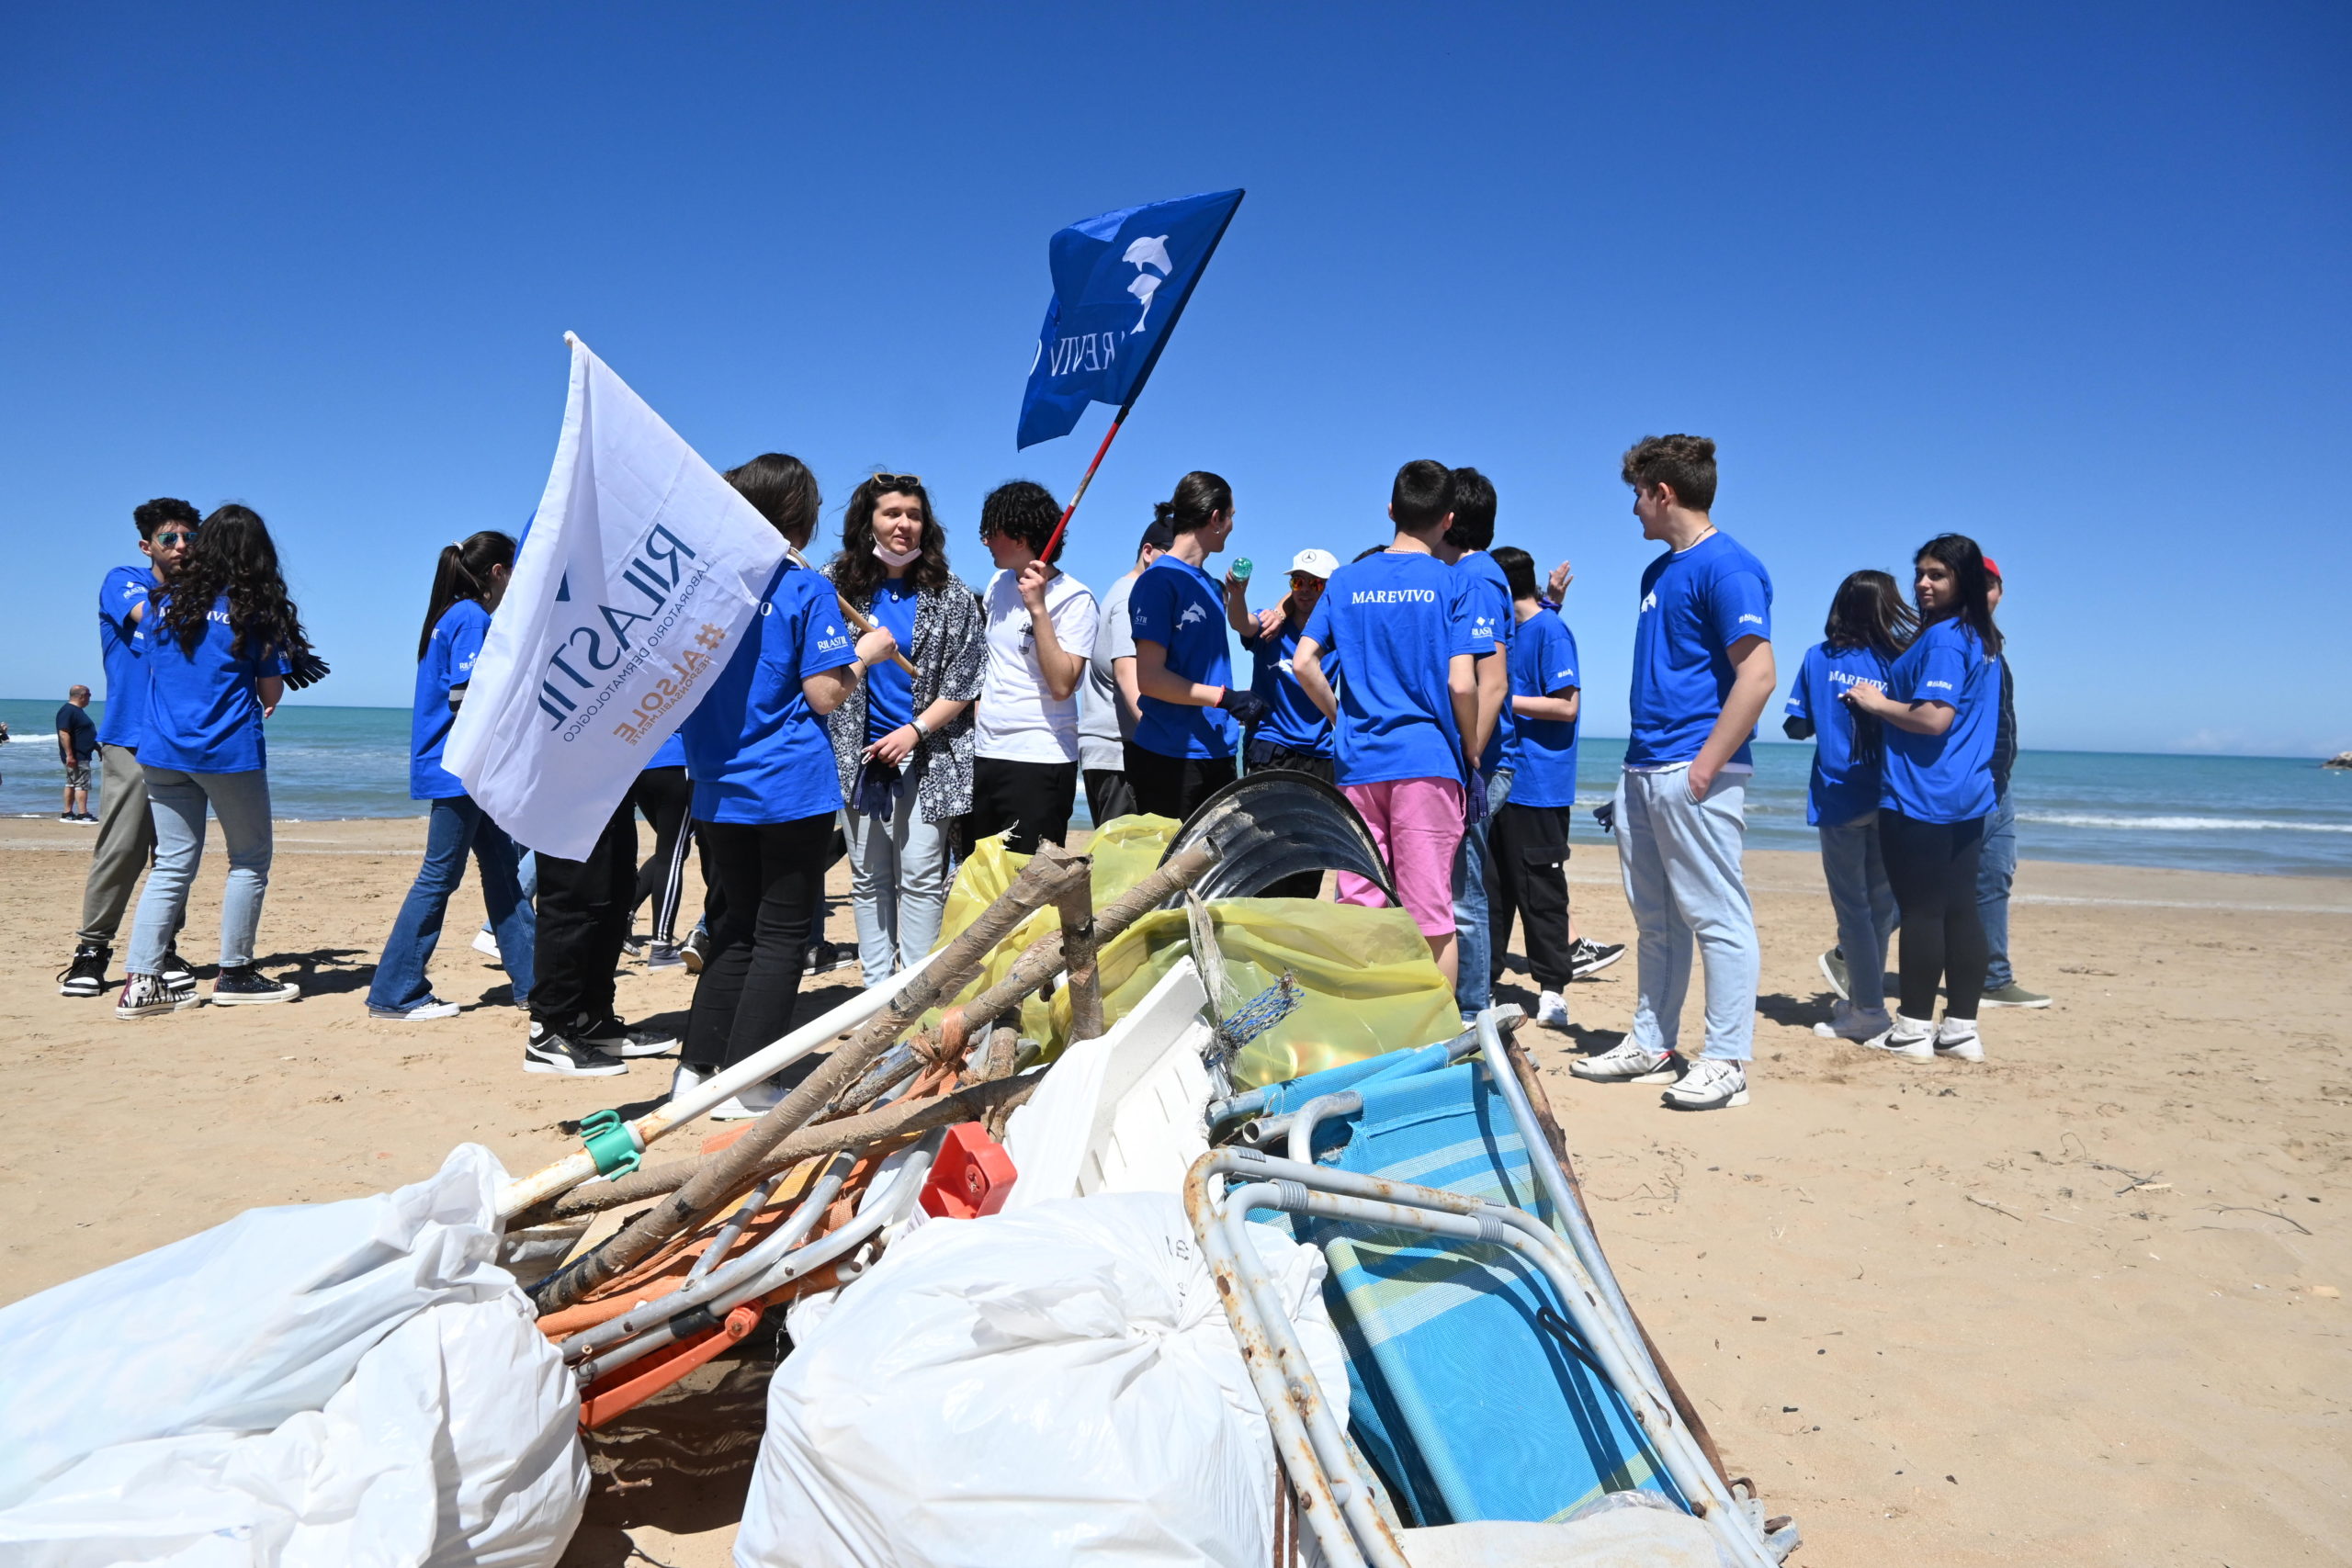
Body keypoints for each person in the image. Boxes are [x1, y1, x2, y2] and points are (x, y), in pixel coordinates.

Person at [676, 458, 897, 1116]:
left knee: (732, 928)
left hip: (718, 782)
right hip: (787, 783)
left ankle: (697, 1071)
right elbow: (826, 692)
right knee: (780, 934)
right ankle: (750, 1080)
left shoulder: (703, 590)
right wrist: (868, 653)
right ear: (795, 514)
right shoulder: (804, 587)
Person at [1571, 434, 1774, 1112]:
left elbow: (1758, 676)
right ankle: (1652, 1043)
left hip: (1692, 766)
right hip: (1643, 765)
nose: (1633, 507)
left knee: (1717, 916)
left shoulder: (1730, 566)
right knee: (1656, 920)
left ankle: (1727, 1060)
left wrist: (1704, 769)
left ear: (1664, 492)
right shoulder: (1657, 572)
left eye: (1637, 493)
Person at [116, 504, 310, 1017]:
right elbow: (271, 693)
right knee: (248, 860)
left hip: (162, 750)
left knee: (172, 865)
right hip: (228, 752)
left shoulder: (162, 603)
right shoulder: (252, 611)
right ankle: (236, 973)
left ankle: (141, 982)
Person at [1294, 460, 1482, 987]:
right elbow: (1462, 684)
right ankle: (1434, 1029)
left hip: (1359, 763)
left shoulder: (1346, 580)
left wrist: (1342, 719)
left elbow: (1304, 662)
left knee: (1359, 908)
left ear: (1391, 510)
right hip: (1427, 761)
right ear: (1448, 519)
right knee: (1431, 918)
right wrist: (1470, 748)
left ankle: (1364, 1019)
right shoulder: (1454, 582)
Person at [1840, 534, 2005, 1063]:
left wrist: (1876, 703)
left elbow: (1934, 718)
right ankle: (1959, 1030)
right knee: (1960, 911)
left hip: (1923, 792)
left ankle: (1912, 1028)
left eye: (1938, 575)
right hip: (1968, 792)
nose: (1923, 584)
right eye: (1920, 574)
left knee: (1922, 912)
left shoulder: (1944, 640)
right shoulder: (1981, 636)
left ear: (1964, 581)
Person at [364, 533, 538, 1026]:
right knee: (439, 875)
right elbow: (467, 699)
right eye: (517, 570)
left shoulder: (451, 616)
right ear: (498, 572)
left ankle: (533, 982)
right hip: (460, 769)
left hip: (462, 769)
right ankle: (394, 991)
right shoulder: (470, 617)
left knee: (504, 872)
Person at [822, 473, 986, 987]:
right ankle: (875, 990)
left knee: (920, 877)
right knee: (868, 878)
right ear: (867, 521)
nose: (904, 524)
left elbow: (965, 680)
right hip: (856, 755)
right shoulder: (833, 588)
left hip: (928, 755)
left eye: (914, 515)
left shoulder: (951, 593)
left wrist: (914, 731)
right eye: (892, 513)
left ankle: (916, 990)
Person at [58, 499, 202, 999]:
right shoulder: (124, 580)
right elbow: (155, 619)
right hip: (132, 736)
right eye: (170, 538)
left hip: (185, 738)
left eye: (190, 538)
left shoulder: (207, 596)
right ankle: (92, 950)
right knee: (121, 847)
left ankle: (162, 948)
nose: (181, 546)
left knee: (175, 854)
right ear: (147, 546)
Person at [1783, 570, 1913, 1043]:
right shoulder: (1900, 659)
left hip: (1839, 795)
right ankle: (1864, 1001)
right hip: (1890, 794)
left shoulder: (1818, 658)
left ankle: (1869, 1009)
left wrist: (1827, 714)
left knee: (1853, 909)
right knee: (1879, 905)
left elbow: (1796, 726)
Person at [968, 480, 1097, 854]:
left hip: (1040, 756)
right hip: (987, 750)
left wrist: (1038, 609)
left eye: (991, 531)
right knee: (981, 875)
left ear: (1020, 537)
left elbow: (1062, 684)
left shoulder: (1076, 598)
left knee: (1029, 880)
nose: (985, 541)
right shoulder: (998, 583)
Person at [1487, 547, 1583, 1030]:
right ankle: (1485, 982)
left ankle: (1552, 990)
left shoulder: (1550, 630)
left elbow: (1567, 706)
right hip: (1498, 780)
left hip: (1540, 786)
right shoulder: (1511, 631)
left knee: (1541, 892)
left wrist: (1505, 698)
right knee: (1492, 890)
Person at [1431, 468, 1514, 1018]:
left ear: (1450, 518)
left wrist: (1470, 762)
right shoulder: (1463, 574)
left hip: (1482, 763)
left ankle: (1472, 1010)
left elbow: (1494, 683)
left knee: (1464, 892)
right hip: (1471, 758)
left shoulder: (1477, 578)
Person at [1128, 471, 1258, 821]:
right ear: (1215, 518)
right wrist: (1225, 698)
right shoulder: (1158, 581)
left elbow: (1244, 626)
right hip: (1169, 757)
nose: (1232, 526)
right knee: (1167, 859)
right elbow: (1150, 679)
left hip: (1219, 751)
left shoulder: (1213, 586)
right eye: (1231, 516)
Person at [1976, 558, 2048, 1008]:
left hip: (2000, 784)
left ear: (2000, 591)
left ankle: (1994, 979)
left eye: (1990, 585)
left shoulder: (1993, 644)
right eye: (1974, 584)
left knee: (1995, 876)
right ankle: (1850, 952)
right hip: (1969, 784)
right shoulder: (1951, 640)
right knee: (1934, 887)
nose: (1983, 592)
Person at [1078, 512, 1173, 826]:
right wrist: (1165, 743)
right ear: (1148, 552)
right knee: (1127, 854)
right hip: (1119, 753)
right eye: (1173, 558)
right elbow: (1127, 674)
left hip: (1109, 752)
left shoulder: (1123, 591)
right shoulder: (1130, 599)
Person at [1228, 547, 1340, 782]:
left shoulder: (1338, 636)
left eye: (1316, 583)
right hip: (1271, 745)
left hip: (1320, 751)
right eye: (1298, 582)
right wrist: (1237, 595)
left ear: (1329, 588)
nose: (1305, 589)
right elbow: (1242, 623)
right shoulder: (1271, 625)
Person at [55, 686, 97, 821]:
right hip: (77, 755)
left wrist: (97, 747)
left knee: (72, 783)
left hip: (80, 754)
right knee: (81, 784)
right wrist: (69, 755)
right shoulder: (68, 710)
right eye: (89, 695)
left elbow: (82, 732)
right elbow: (64, 733)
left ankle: (68, 813)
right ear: (82, 696)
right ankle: (83, 813)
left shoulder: (77, 711)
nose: (90, 698)